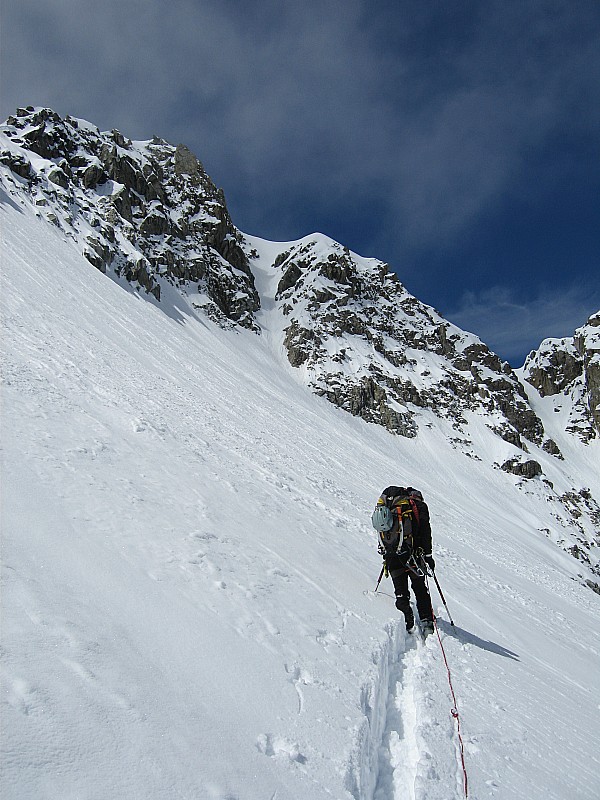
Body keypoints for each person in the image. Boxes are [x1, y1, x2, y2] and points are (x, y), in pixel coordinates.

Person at [371, 486, 435, 633]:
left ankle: (406, 615)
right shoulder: (419, 506)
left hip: (391, 552)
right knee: (419, 587)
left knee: (400, 587)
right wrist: (428, 556)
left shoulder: (389, 504)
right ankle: (427, 621)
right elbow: (426, 532)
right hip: (413, 554)